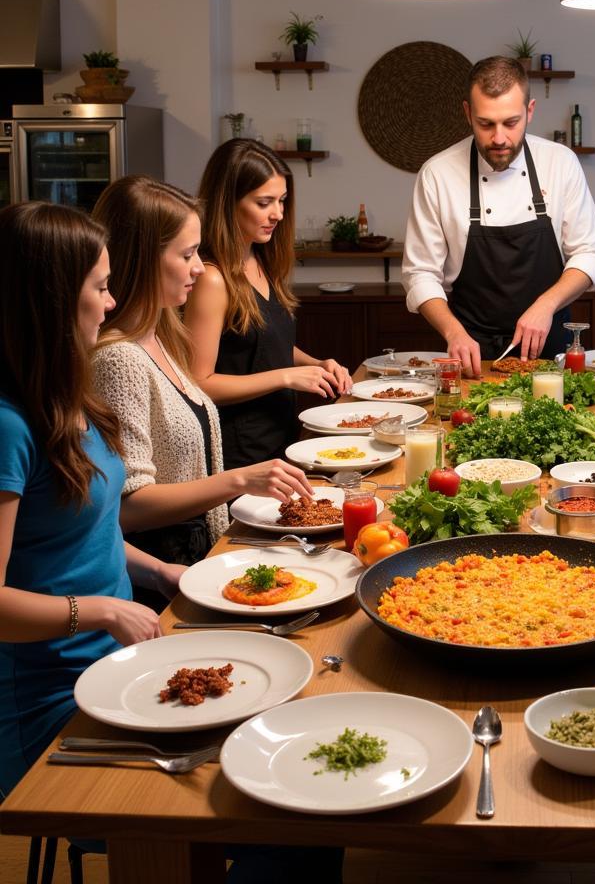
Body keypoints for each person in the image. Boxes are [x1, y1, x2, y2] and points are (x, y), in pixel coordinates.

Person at [0, 203, 183, 797]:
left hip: (116, 665)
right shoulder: (9, 427)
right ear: (51, 301)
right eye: (100, 288)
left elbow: (86, 534)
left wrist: (159, 571)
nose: (110, 304)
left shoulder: (70, 394)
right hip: (52, 697)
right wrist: (101, 610)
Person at [91, 177, 313, 607]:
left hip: (197, 564)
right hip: (157, 583)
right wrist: (239, 480)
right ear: (142, 258)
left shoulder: (160, 336)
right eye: (187, 254)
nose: (199, 267)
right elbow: (127, 507)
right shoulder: (118, 359)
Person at [402, 56, 595, 374]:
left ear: (530, 111)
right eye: (486, 124)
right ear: (468, 113)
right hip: (470, 349)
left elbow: (590, 254)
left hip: (548, 346)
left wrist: (546, 305)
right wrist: (452, 332)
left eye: (511, 123)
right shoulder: (437, 174)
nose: (499, 138)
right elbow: (420, 274)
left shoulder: (560, 163)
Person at [185, 139, 352, 469]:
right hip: (240, 452)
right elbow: (198, 382)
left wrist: (317, 363)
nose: (277, 213)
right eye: (264, 202)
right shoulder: (211, 278)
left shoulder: (261, 260)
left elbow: (264, 346)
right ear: (227, 201)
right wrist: (288, 377)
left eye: (282, 201)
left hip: (279, 436)